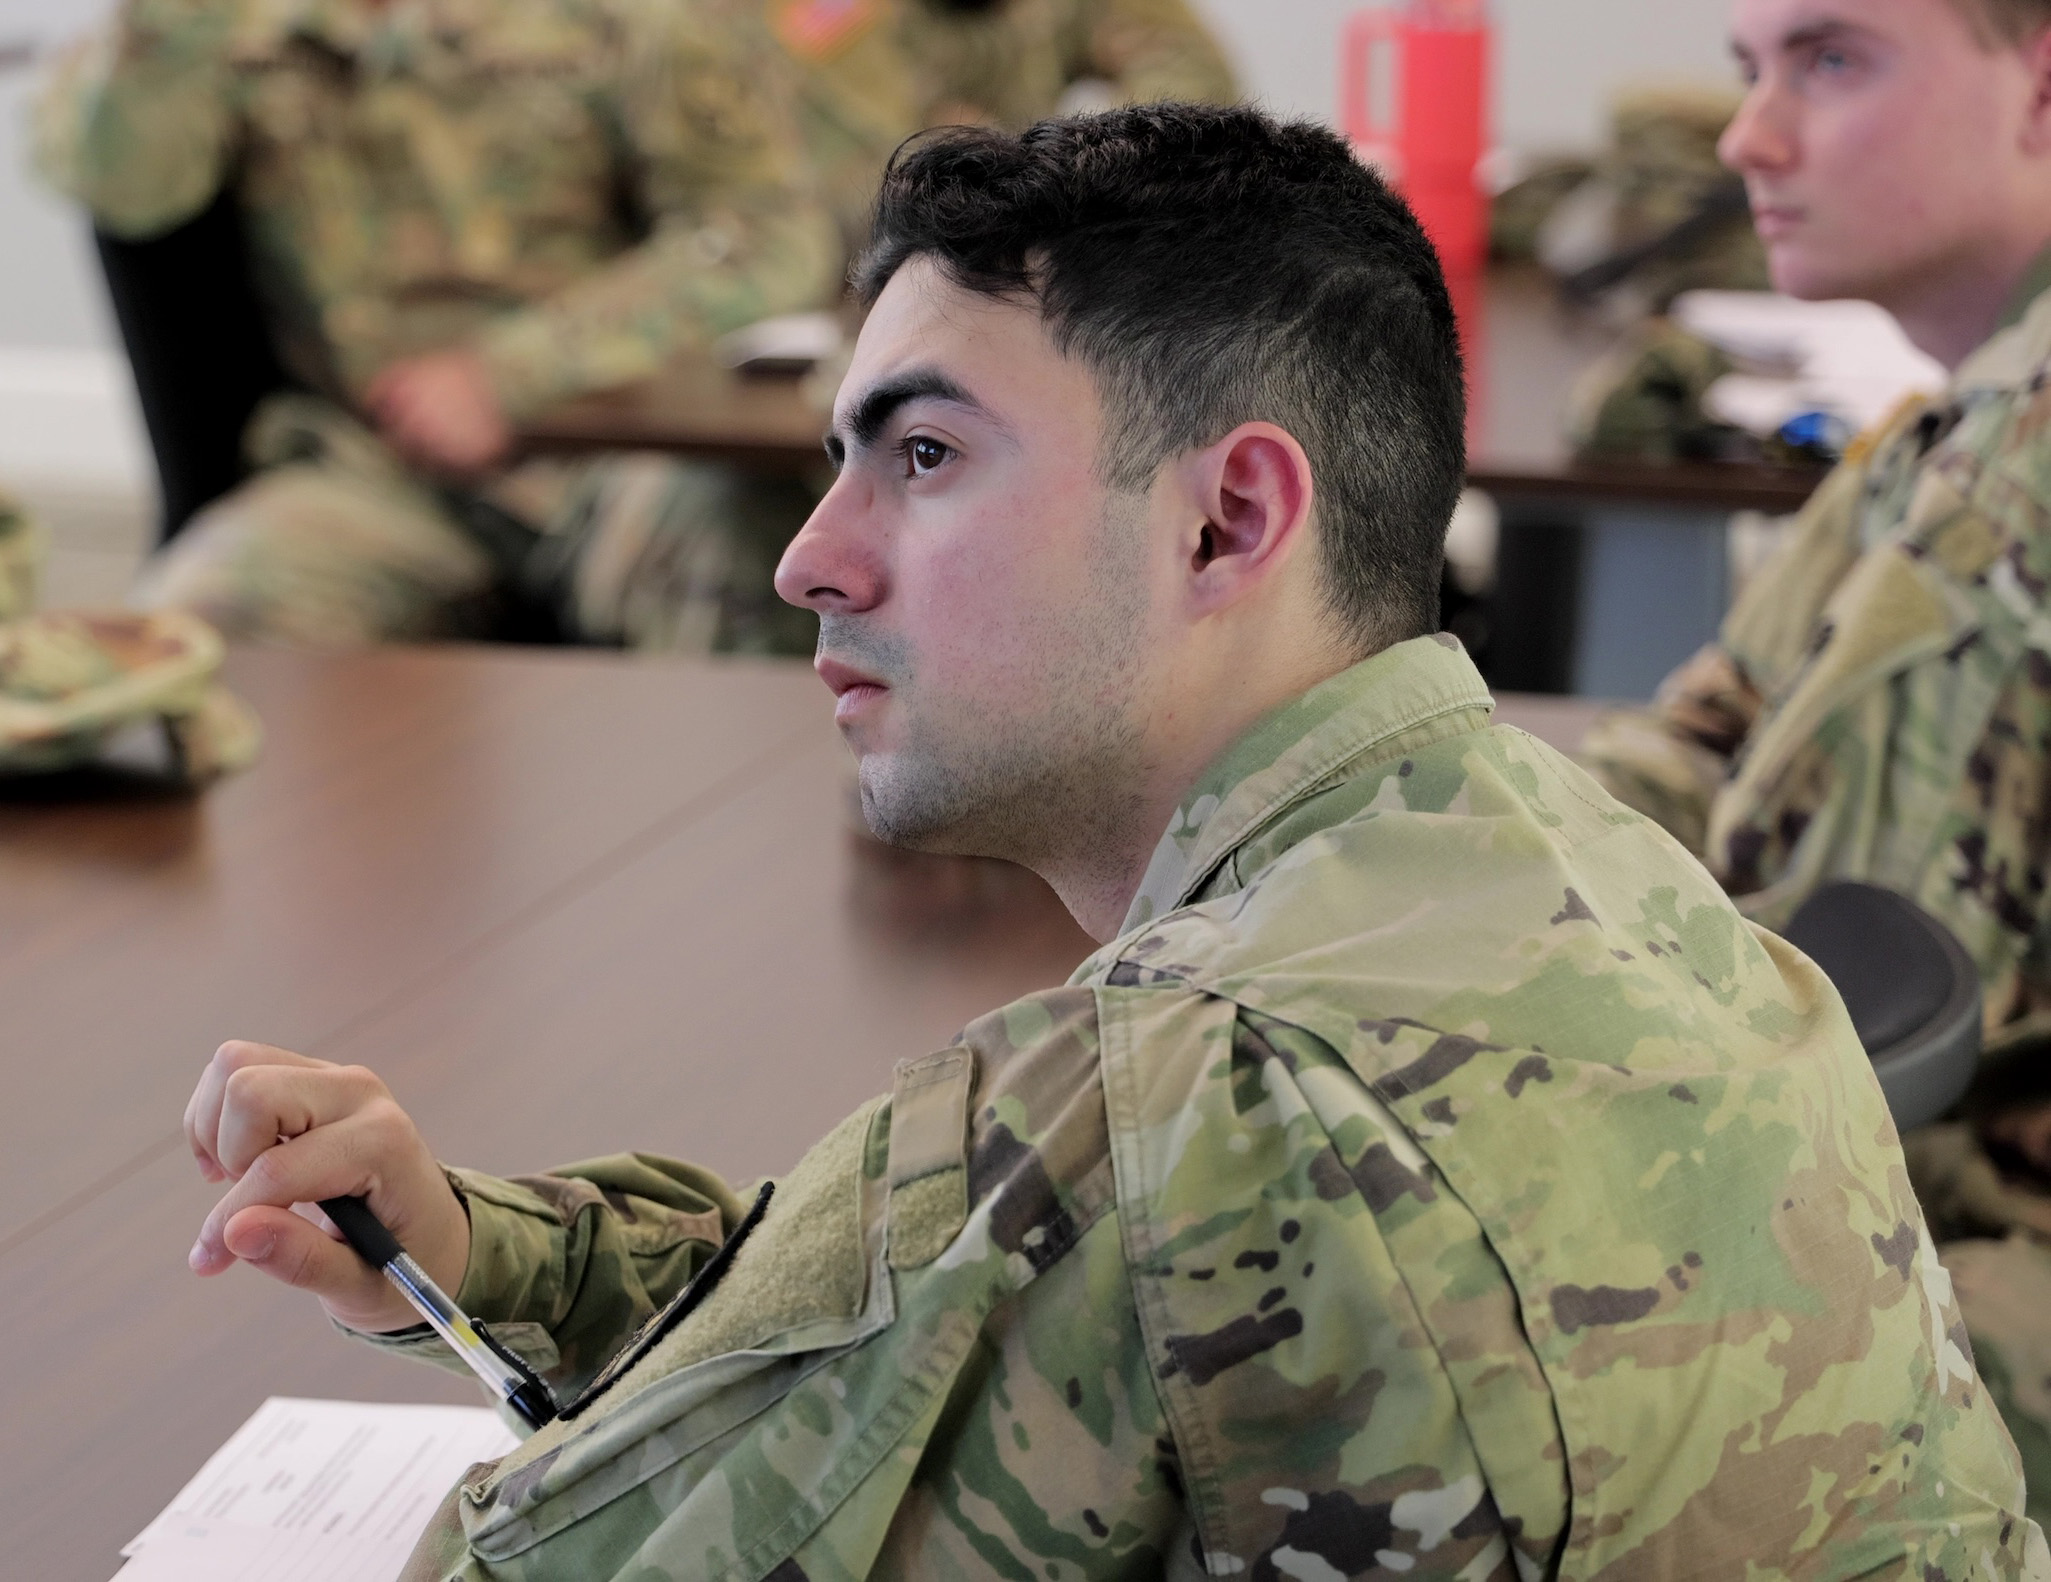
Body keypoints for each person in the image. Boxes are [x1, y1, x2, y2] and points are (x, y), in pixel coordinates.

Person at [179, 105, 2041, 1578]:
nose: (806, 555)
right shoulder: (1627, 888)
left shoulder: (1160, 1103)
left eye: (923, 455)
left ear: (1230, 519)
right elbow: (937, 1322)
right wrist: (486, 1255)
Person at [1573, 0, 2051, 1514]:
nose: (1745, 136)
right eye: (1747, 68)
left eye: (1830, 59)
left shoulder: (2013, 491)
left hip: (1978, 1256)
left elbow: (1824, 1061)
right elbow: (1700, 740)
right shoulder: (1948, 428)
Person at [35, 0, 841, 655]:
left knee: (759, 575)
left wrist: (510, 378)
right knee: (199, 639)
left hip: (618, 453)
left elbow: (765, 235)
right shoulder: (232, 25)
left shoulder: (630, 20)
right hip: (376, 473)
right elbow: (126, 192)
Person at [772, 0, 1236, 253]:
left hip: (1032, 247)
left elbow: (1196, 101)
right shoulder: (826, 16)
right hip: (862, 268)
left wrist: (1079, 157)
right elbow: (836, 180)